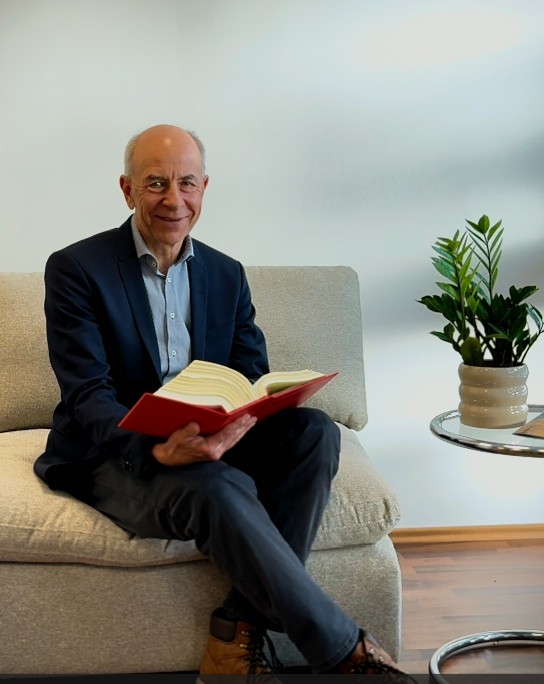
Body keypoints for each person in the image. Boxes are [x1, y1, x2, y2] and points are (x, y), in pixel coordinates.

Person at [34, 124, 415, 682]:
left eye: (187, 183)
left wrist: (242, 419)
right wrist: (158, 451)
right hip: (114, 455)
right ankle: (345, 652)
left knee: (315, 431)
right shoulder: (76, 269)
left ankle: (237, 625)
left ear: (204, 187)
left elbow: (249, 375)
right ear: (127, 189)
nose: (174, 199)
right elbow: (88, 394)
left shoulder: (226, 273)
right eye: (156, 183)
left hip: (207, 438)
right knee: (218, 485)